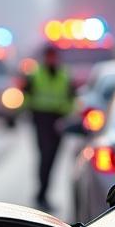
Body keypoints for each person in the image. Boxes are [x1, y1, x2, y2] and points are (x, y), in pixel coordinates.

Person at [24, 44, 74, 209]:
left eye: (54, 56)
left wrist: (66, 117)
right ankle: (42, 194)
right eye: (49, 56)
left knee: (52, 159)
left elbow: (71, 98)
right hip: (41, 119)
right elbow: (26, 95)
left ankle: (43, 193)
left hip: (58, 121)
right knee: (45, 157)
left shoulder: (64, 75)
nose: (52, 59)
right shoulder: (35, 75)